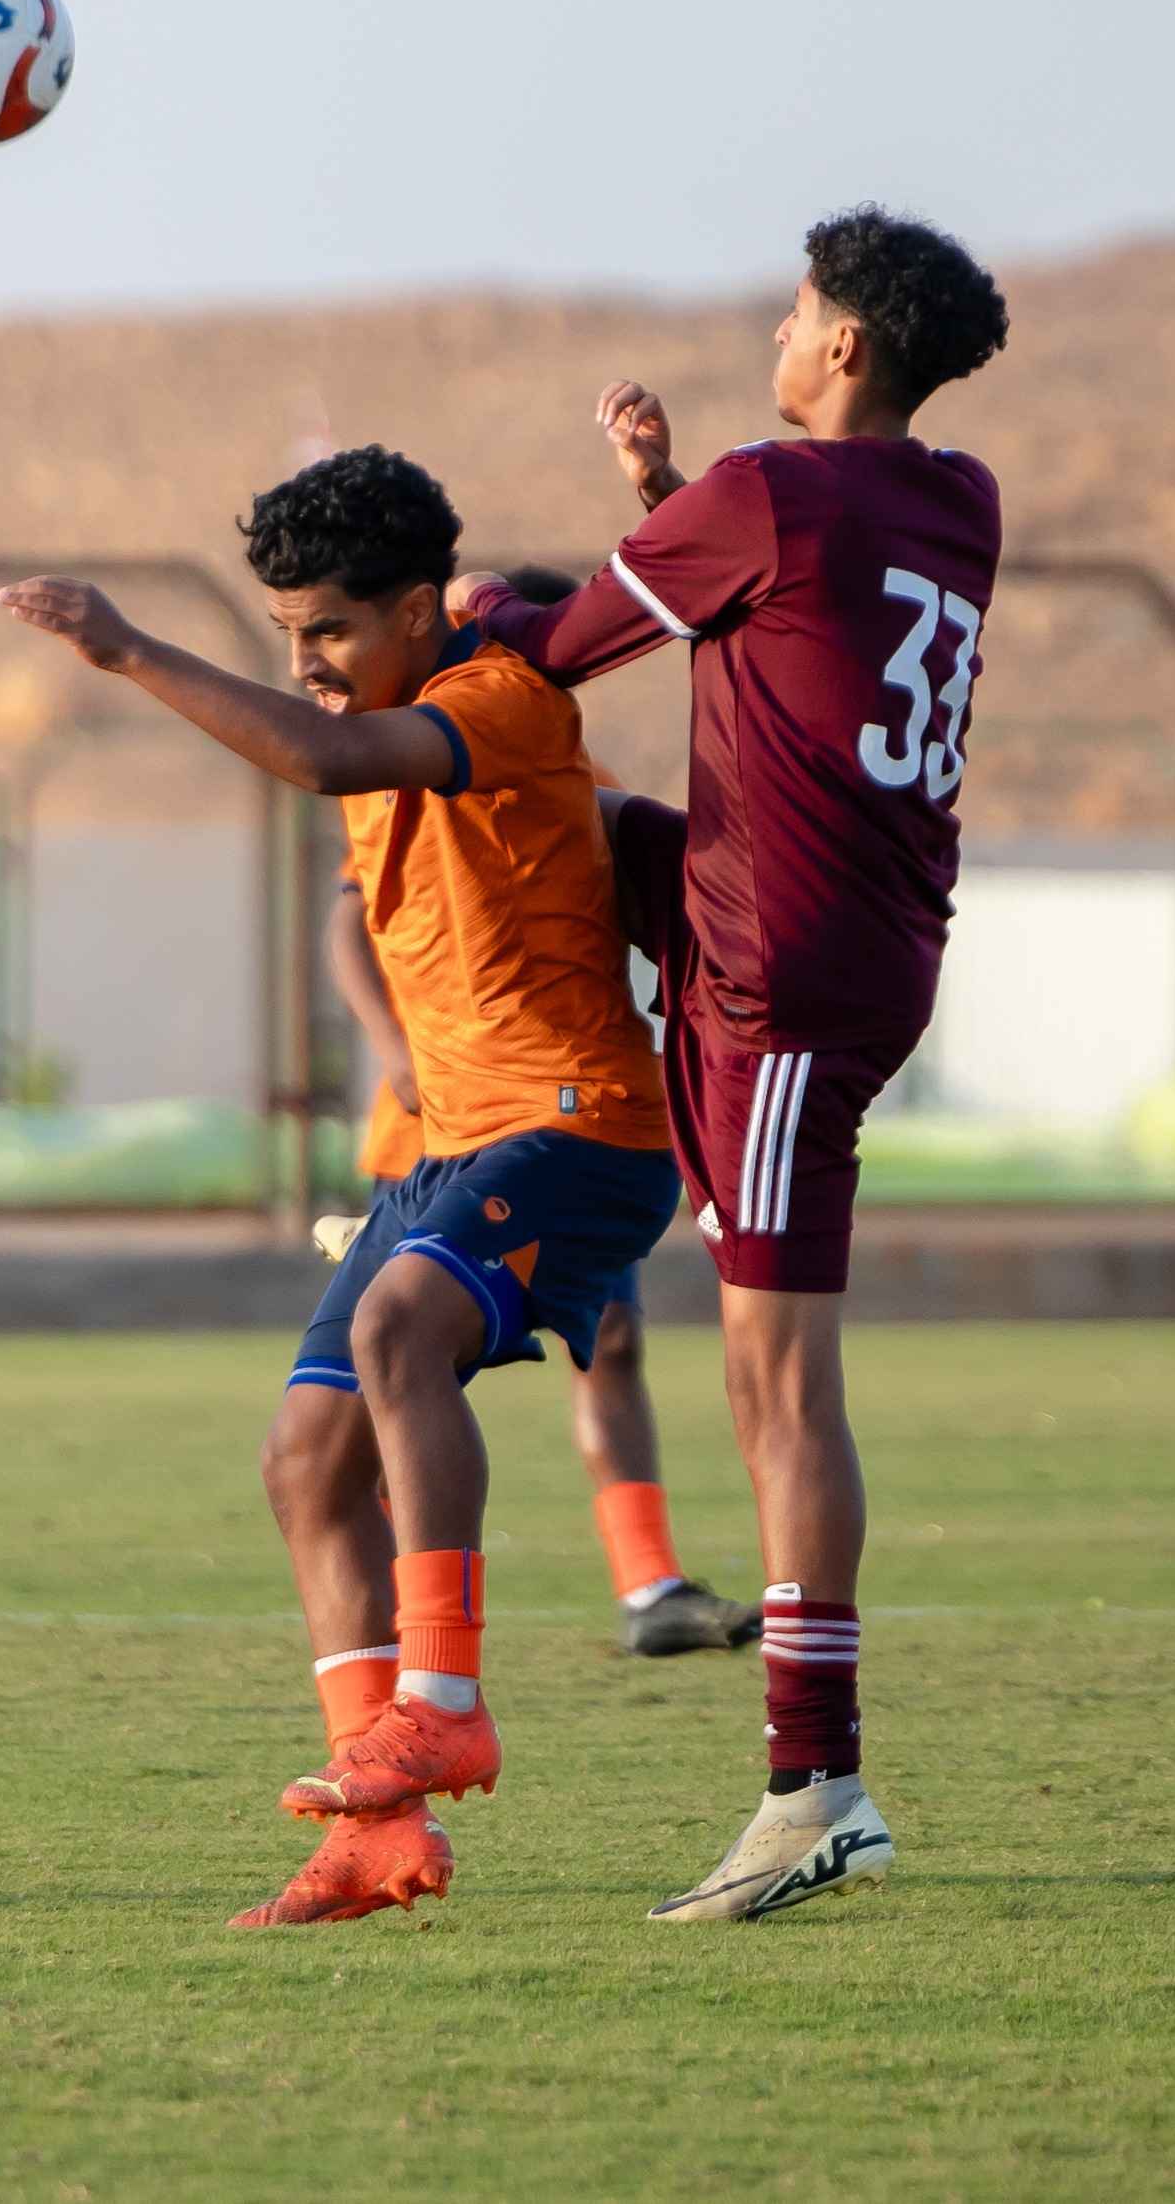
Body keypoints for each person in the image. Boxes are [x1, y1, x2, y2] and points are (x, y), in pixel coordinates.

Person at [0, 450, 683, 1928]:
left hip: (580, 1127)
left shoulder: (487, 705)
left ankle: (445, 1697)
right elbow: (359, 887)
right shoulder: (384, 715)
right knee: (304, 1463)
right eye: (283, 634)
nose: (302, 664)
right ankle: (376, 1830)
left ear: (423, 610)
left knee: (396, 1338)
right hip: (452, 1148)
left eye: (327, 631)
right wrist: (391, 1047)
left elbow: (320, 763)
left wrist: (125, 650)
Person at [452, 207, 1009, 1923]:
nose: (775, 331)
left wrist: (447, 598)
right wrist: (659, 501)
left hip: (777, 976)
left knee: (776, 1388)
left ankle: (811, 1781)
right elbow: (772, 626)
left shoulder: (769, 491)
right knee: (566, 829)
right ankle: (537, 1116)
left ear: (840, 344)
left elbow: (548, 650)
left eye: (790, 312)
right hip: (842, 940)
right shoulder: (951, 496)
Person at [320, 565, 756, 1662]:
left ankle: (646, 1585)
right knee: (381, 1373)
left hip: (559, 1114)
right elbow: (347, 925)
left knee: (605, 1341)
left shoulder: (564, 766)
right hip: (437, 1123)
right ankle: (395, 1618)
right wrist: (396, 1048)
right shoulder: (406, 749)